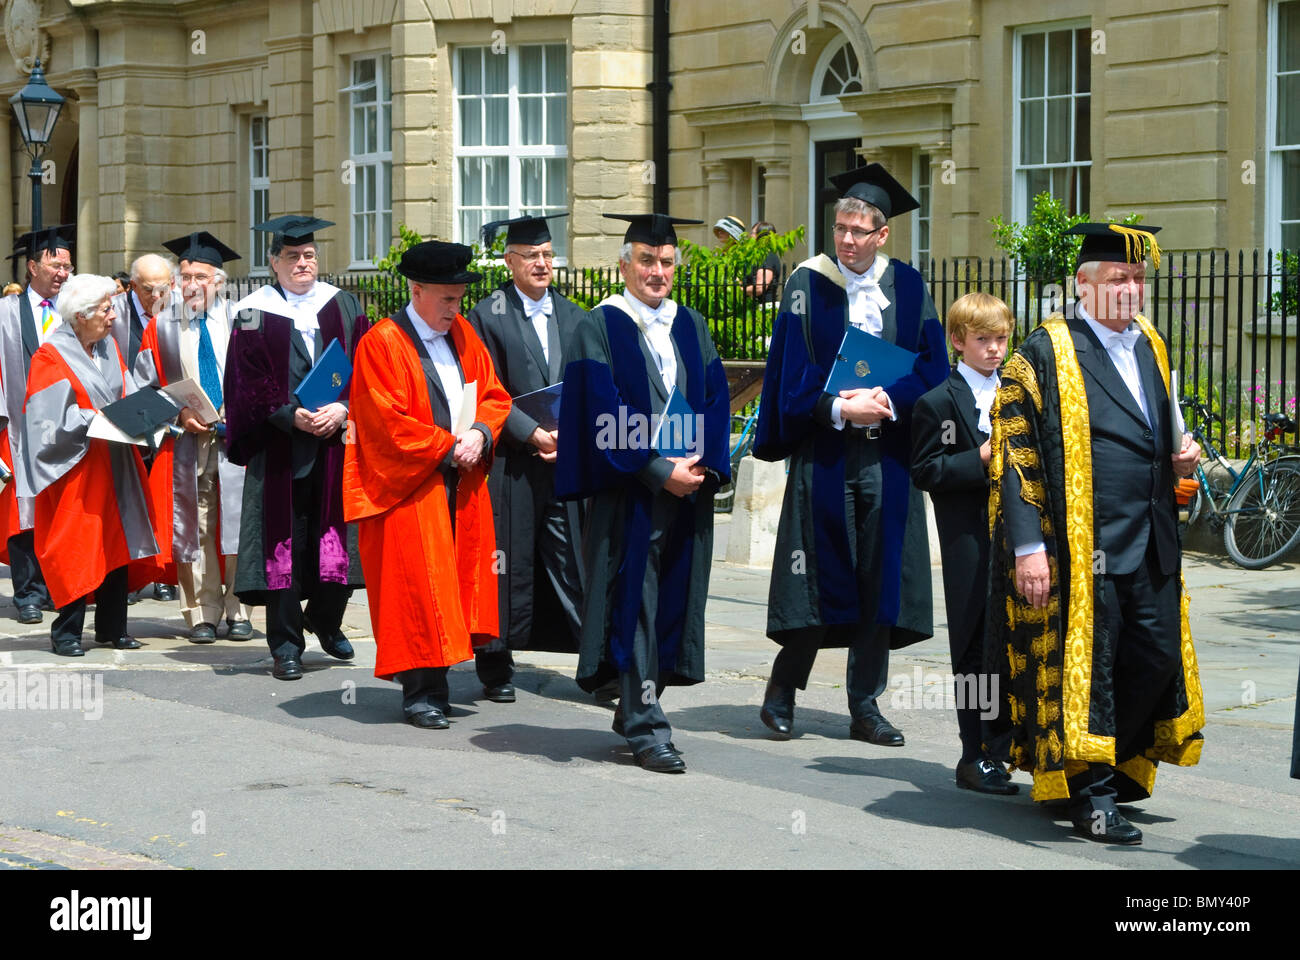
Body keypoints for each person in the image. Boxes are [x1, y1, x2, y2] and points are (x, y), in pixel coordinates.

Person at [986, 222, 1204, 844]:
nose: (1132, 290)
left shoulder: (1150, 346)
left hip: (1152, 536)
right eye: (1118, 280)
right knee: (1093, 672)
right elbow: (1015, 457)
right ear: (1082, 286)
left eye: (1138, 279)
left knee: (1157, 658)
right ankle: (1094, 793)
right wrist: (1029, 549)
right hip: (1084, 545)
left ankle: (1110, 760)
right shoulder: (1045, 351)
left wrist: (1179, 459)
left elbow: (1158, 429)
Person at [754, 163, 948, 745]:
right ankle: (783, 688)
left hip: (888, 456)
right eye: (839, 227)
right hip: (827, 454)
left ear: (882, 234)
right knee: (817, 571)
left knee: (878, 577)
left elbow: (934, 371)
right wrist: (839, 408)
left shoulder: (910, 288)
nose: (845, 239)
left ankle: (865, 704)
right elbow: (790, 376)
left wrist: (887, 398)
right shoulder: (805, 286)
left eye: (859, 230)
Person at [556, 213, 731, 774]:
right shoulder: (598, 325)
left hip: (687, 490)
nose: (657, 272)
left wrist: (702, 467)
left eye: (667, 263)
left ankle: (635, 704)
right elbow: (599, 412)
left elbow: (716, 399)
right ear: (625, 264)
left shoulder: (692, 325)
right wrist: (658, 469)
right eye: (647, 261)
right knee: (636, 606)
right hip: (629, 494)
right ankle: (647, 726)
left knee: (671, 605)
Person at [344, 241, 511, 728]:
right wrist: (445, 446)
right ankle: (422, 693)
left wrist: (480, 433)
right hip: (410, 488)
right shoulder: (382, 342)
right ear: (416, 291)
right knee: (417, 587)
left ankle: (443, 678)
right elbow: (383, 421)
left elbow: (494, 393)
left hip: (461, 482)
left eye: (458, 299)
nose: (454, 309)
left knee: (453, 583)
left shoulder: (463, 334)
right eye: (446, 299)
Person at [224, 216, 368, 680]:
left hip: (334, 444)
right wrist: (290, 415)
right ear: (274, 262)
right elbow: (246, 382)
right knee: (281, 548)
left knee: (338, 541)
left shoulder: (343, 305)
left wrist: (344, 408)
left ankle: (325, 620)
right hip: (279, 449)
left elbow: (366, 369)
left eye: (308, 256)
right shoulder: (252, 311)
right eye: (292, 256)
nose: (302, 263)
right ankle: (286, 646)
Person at [466, 214, 586, 703]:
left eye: (547, 255)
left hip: (564, 461)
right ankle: (495, 667)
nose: (541, 263)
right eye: (531, 256)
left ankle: (597, 660)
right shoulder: (487, 314)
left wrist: (571, 432)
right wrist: (530, 432)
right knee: (504, 561)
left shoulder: (576, 316)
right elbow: (480, 389)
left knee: (571, 559)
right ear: (509, 261)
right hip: (510, 463)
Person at [19, 274, 160, 656]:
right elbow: (45, 420)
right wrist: (95, 418)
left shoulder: (109, 349)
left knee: (116, 543)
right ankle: (66, 630)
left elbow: (127, 391)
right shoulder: (50, 355)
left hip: (115, 462)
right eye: (105, 308)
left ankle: (112, 629)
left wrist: (150, 414)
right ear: (81, 315)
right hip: (76, 469)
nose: (113, 315)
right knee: (76, 546)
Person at [910, 292, 1017, 795]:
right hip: (968, 541)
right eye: (983, 340)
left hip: (1018, 538)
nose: (995, 350)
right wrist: (981, 457)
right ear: (958, 341)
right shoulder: (937, 402)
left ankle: (1009, 749)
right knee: (974, 647)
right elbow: (927, 470)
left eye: (1001, 339)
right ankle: (974, 754)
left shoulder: (1018, 394)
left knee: (1014, 643)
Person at [134, 232, 252, 643]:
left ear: (218, 281)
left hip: (236, 439)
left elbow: (263, 382)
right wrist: (179, 414)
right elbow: (143, 389)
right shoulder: (161, 327)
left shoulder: (243, 319)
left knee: (238, 521)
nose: (190, 285)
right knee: (194, 523)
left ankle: (239, 608)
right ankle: (201, 611)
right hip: (189, 440)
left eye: (199, 276)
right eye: (184, 276)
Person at [0, 225, 77, 625]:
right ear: (32, 267)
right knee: (23, 512)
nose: (63, 273)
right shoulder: (6, 313)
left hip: (67, 424)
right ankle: (28, 593)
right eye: (55, 264)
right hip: (18, 423)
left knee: (63, 510)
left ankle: (60, 586)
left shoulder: (74, 312)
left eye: (68, 265)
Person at [113, 252, 181, 604]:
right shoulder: (113, 314)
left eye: (162, 289)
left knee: (164, 502)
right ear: (132, 286)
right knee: (128, 501)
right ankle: (128, 576)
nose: (156, 298)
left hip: (170, 421)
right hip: (129, 419)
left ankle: (164, 573)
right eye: (147, 291)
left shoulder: (182, 313)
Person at [743, 221, 783, 303]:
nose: (750, 236)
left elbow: (760, 287)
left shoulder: (767, 256)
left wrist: (739, 290)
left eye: (753, 233)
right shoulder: (757, 257)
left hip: (764, 308)